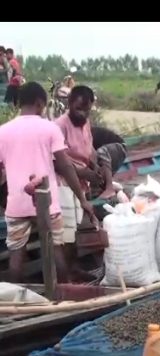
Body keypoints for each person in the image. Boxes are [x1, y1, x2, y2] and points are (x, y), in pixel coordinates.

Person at [0, 82, 94, 283]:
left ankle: (15, 305)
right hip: (48, 202)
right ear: (40, 103)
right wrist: (82, 199)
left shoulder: (3, 131)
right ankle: (61, 297)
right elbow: (66, 167)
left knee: (16, 257)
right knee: (55, 250)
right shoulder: (50, 128)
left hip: (17, 202)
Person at [54, 85, 98, 278]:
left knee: (74, 232)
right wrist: (84, 173)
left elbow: (90, 148)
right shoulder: (59, 125)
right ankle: (66, 278)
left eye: (87, 110)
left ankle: (73, 269)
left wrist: (94, 166)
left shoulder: (85, 123)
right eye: (79, 109)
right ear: (70, 103)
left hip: (81, 182)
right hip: (63, 183)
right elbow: (57, 162)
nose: (83, 113)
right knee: (66, 234)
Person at [91, 126, 128, 199]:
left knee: (100, 153)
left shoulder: (84, 134)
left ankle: (109, 188)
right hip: (108, 155)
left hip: (119, 148)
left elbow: (92, 156)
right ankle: (105, 189)